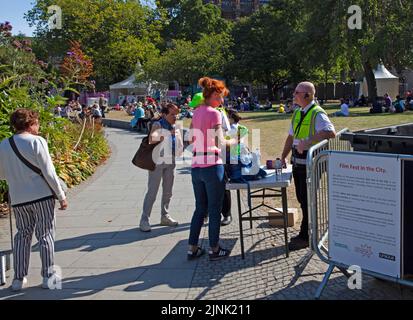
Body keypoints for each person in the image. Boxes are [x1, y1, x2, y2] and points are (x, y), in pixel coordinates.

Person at [0, 109, 68, 291]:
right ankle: (48, 276)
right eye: (37, 123)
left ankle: (18, 278)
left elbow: (2, 175)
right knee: (45, 234)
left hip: (18, 197)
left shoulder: (4, 144)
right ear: (30, 124)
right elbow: (49, 172)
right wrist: (61, 196)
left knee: (22, 235)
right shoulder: (37, 142)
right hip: (41, 195)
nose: (39, 126)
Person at [280, 82, 336, 251]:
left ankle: (307, 236)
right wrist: (283, 156)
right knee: (302, 199)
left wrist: (307, 142)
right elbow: (291, 137)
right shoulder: (298, 112)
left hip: (310, 165)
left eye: (297, 92)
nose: (294, 95)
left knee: (307, 200)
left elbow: (330, 132)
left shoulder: (317, 113)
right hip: (298, 163)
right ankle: (306, 233)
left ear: (308, 95)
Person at [187, 77, 237, 261]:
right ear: (214, 94)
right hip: (211, 165)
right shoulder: (214, 113)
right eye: (221, 97)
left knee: (200, 209)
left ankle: (192, 248)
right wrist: (236, 140)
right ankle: (214, 249)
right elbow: (220, 142)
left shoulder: (197, 112)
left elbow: (190, 137)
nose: (222, 101)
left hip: (196, 166)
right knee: (215, 209)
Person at [139, 103, 183, 232]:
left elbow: (179, 142)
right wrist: (168, 133)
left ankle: (165, 216)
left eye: (177, 114)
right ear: (164, 114)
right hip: (157, 160)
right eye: (172, 114)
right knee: (152, 191)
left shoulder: (176, 125)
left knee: (168, 191)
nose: (175, 117)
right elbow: (152, 139)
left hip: (171, 160)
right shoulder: (158, 124)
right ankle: (144, 219)